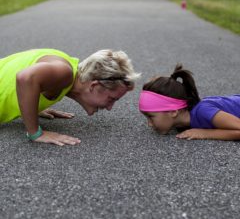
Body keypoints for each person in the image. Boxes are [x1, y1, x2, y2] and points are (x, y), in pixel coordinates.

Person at [0, 48, 140, 145]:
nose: (109, 107)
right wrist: (36, 133)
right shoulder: (64, 72)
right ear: (94, 86)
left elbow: (16, 75)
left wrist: (33, 106)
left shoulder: (66, 70)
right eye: (112, 99)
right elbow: (25, 77)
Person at [139, 64, 240, 141]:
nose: (149, 124)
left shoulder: (204, 111)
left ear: (173, 112)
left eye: (151, 117)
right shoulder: (182, 123)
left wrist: (205, 133)